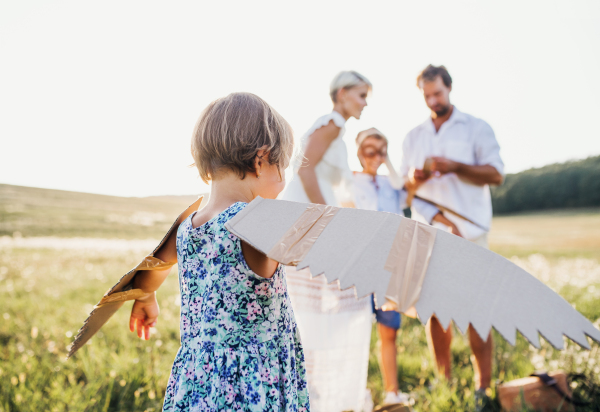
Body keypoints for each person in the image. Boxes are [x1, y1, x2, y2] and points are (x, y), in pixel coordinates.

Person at [128, 93, 310, 412]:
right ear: (261, 160)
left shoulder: (187, 225)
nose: (285, 179)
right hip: (253, 386)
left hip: (201, 379)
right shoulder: (255, 224)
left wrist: (145, 297)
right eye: (284, 166)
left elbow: (151, 269)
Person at [400, 65, 504, 406]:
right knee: (434, 311)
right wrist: (419, 179)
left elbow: (496, 174)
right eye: (427, 95)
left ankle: (483, 385)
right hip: (430, 233)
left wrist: (455, 166)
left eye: (438, 94)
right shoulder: (414, 137)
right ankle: (443, 380)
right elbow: (406, 191)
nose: (433, 101)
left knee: (478, 310)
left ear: (449, 88)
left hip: (470, 233)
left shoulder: (476, 127)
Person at [281, 71, 373, 412]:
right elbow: (304, 171)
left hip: (313, 221)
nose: (365, 103)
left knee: (323, 305)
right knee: (335, 301)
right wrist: (327, 219)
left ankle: (319, 390)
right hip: (309, 224)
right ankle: (320, 392)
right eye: (362, 95)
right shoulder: (332, 123)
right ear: (343, 93)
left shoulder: (337, 129)